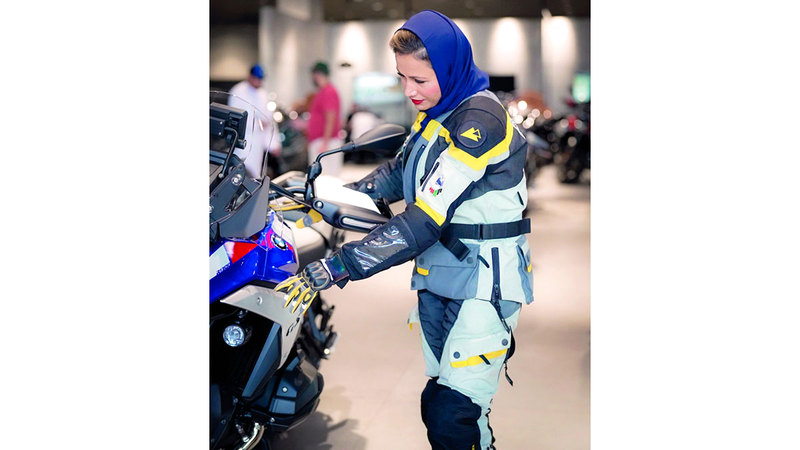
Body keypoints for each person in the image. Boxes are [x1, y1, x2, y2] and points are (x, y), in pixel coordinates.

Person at [277, 10, 532, 450]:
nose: (410, 91)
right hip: (439, 275)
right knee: (438, 403)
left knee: (454, 415)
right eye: (402, 78)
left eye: (420, 80)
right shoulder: (435, 112)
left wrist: (339, 266)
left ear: (449, 69)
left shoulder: (479, 119)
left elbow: (424, 219)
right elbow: (397, 173)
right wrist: (325, 200)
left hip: (483, 280)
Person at [228, 64, 282, 178]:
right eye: (256, 79)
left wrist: (273, 144)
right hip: (243, 141)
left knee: (255, 175)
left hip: (258, 142)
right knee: (240, 172)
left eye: (260, 79)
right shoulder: (238, 91)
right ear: (250, 76)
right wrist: (258, 124)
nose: (258, 82)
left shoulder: (263, 94)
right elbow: (235, 117)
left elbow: (269, 119)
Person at [306, 61, 344, 176]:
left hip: (326, 142)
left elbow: (331, 118)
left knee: (326, 178)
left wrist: (325, 143)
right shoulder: (322, 92)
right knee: (321, 178)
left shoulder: (328, 91)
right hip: (323, 141)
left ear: (318, 74)